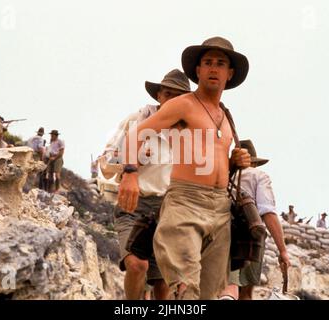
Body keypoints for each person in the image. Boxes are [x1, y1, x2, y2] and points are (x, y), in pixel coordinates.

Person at [118, 36, 251, 299]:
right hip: (185, 203)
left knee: (208, 294)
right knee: (184, 289)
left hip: (221, 210)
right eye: (208, 62)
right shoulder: (184, 104)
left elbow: (211, 161)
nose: (214, 68)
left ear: (230, 73)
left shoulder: (226, 117)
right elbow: (135, 135)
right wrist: (130, 174)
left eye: (220, 63)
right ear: (198, 70)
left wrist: (234, 162)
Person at [102, 69, 191, 300]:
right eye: (168, 93)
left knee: (162, 282)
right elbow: (106, 160)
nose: (172, 99)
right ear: (159, 95)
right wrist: (131, 164)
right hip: (134, 204)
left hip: (168, 209)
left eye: (178, 96)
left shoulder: (189, 132)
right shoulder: (137, 121)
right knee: (136, 265)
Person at [218, 140, 290, 300]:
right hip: (250, 237)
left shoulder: (221, 176)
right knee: (245, 293)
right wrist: (282, 250)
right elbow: (268, 213)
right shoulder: (259, 176)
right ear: (253, 163)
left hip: (219, 233)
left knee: (225, 287)